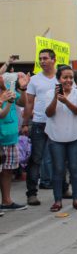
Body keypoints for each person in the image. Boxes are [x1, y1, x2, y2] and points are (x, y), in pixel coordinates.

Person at [44, 66, 77, 212]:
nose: (68, 80)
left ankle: (76, 199)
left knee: (75, 169)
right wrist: (56, 98)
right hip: (56, 138)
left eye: (70, 77)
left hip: (75, 137)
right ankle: (57, 201)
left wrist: (66, 102)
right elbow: (49, 113)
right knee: (58, 170)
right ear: (58, 79)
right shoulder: (50, 93)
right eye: (65, 77)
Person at [21, 49, 59, 206]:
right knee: (36, 159)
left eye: (45, 58)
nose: (42, 61)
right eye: (40, 59)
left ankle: (63, 188)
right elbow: (29, 102)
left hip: (58, 123)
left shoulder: (61, 77)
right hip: (38, 123)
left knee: (60, 158)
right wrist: (25, 123)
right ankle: (31, 194)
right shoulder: (35, 80)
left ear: (53, 60)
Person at [0, 73, 29, 212]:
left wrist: (23, 90)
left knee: (7, 170)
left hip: (11, 137)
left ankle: (6, 201)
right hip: (1, 138)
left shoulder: (10, 92)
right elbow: (2, 114)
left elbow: (23, 103)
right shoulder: (3, 94)